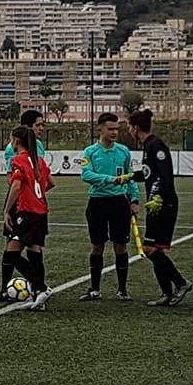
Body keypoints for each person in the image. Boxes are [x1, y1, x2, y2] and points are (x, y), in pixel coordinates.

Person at [127, 107, 189, 306]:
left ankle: (181, 283)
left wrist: (160, 198)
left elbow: (165, 175)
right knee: (153, 248)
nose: (128, 131)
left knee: (150, 248)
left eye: (129, 127)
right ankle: (167, 293)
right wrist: (128, 177)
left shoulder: (156, 145)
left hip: (163, 203)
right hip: (156, 203)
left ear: (135, 128)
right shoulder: (148, 146)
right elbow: (149, 173)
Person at [78, 111, 136, 301]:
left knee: (121, 245)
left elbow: (130, 176)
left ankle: (122, 289)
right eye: (110, 129)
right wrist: (110, 180)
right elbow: (86, 175)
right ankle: (95, 289)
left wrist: (134, 200)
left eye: (116, 129)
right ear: (100, 129)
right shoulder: (90, 152)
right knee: (98, 246)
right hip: (97, 203)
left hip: (119, 203)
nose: (114, 133)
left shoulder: (123, 152)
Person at [4, 123, 52, 309]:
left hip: (27, 211)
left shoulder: (18, 160)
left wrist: (7, 210)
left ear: (16, 140)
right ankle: (38, 297)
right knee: (34, 249)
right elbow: (50, 182)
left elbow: (16, 186)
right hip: (41, 211)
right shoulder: (38, 160)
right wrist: (36, 191)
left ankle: (42, 287)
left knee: (12, 253)